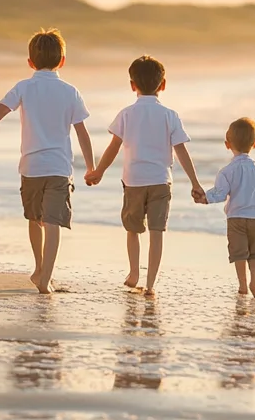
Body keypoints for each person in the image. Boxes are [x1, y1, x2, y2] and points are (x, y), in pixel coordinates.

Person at [0, 29, 96, 294]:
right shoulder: (70, 92)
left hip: (31, 167)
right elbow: (82, 133)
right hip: (59, 167)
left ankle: (38, 267)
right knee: (53, 222)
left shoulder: (24, 87)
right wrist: (92, 168)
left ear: (30, 62)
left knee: (34, 219)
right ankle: (45, 279)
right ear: (62, 60)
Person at [86, 56, 204, 296]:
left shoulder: (127, 114)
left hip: (134, 181)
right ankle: (150, 284)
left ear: (132, 85)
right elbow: (181, 151)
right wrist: (195, 182)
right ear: (163, 85)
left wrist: (99, 171)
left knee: (133, 229)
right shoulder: (170, 115)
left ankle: (133, 274)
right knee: (157, 232)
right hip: (161, 181)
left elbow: (113, 147)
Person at [197, 117, 255, 297]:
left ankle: (242, 285)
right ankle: (254, 282)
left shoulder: (227, 171)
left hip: (236, 219)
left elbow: (220, 193)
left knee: (239, 253)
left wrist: (204, 198)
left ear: (227, 144)